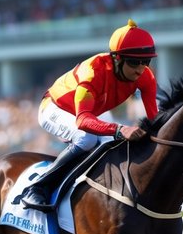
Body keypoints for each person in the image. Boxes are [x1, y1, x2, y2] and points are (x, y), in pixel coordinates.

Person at [19, 19, 158, 211]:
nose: (141, 69)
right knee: (87, 138)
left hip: (86, 116)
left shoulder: (146, 77)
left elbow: (154, 120)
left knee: (115, 144)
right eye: (134, 62)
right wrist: (120, 129)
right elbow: (83, 120)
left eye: (146, 61)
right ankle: (38, 187)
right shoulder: (92, 73)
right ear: (117, 58)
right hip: (54, 109)